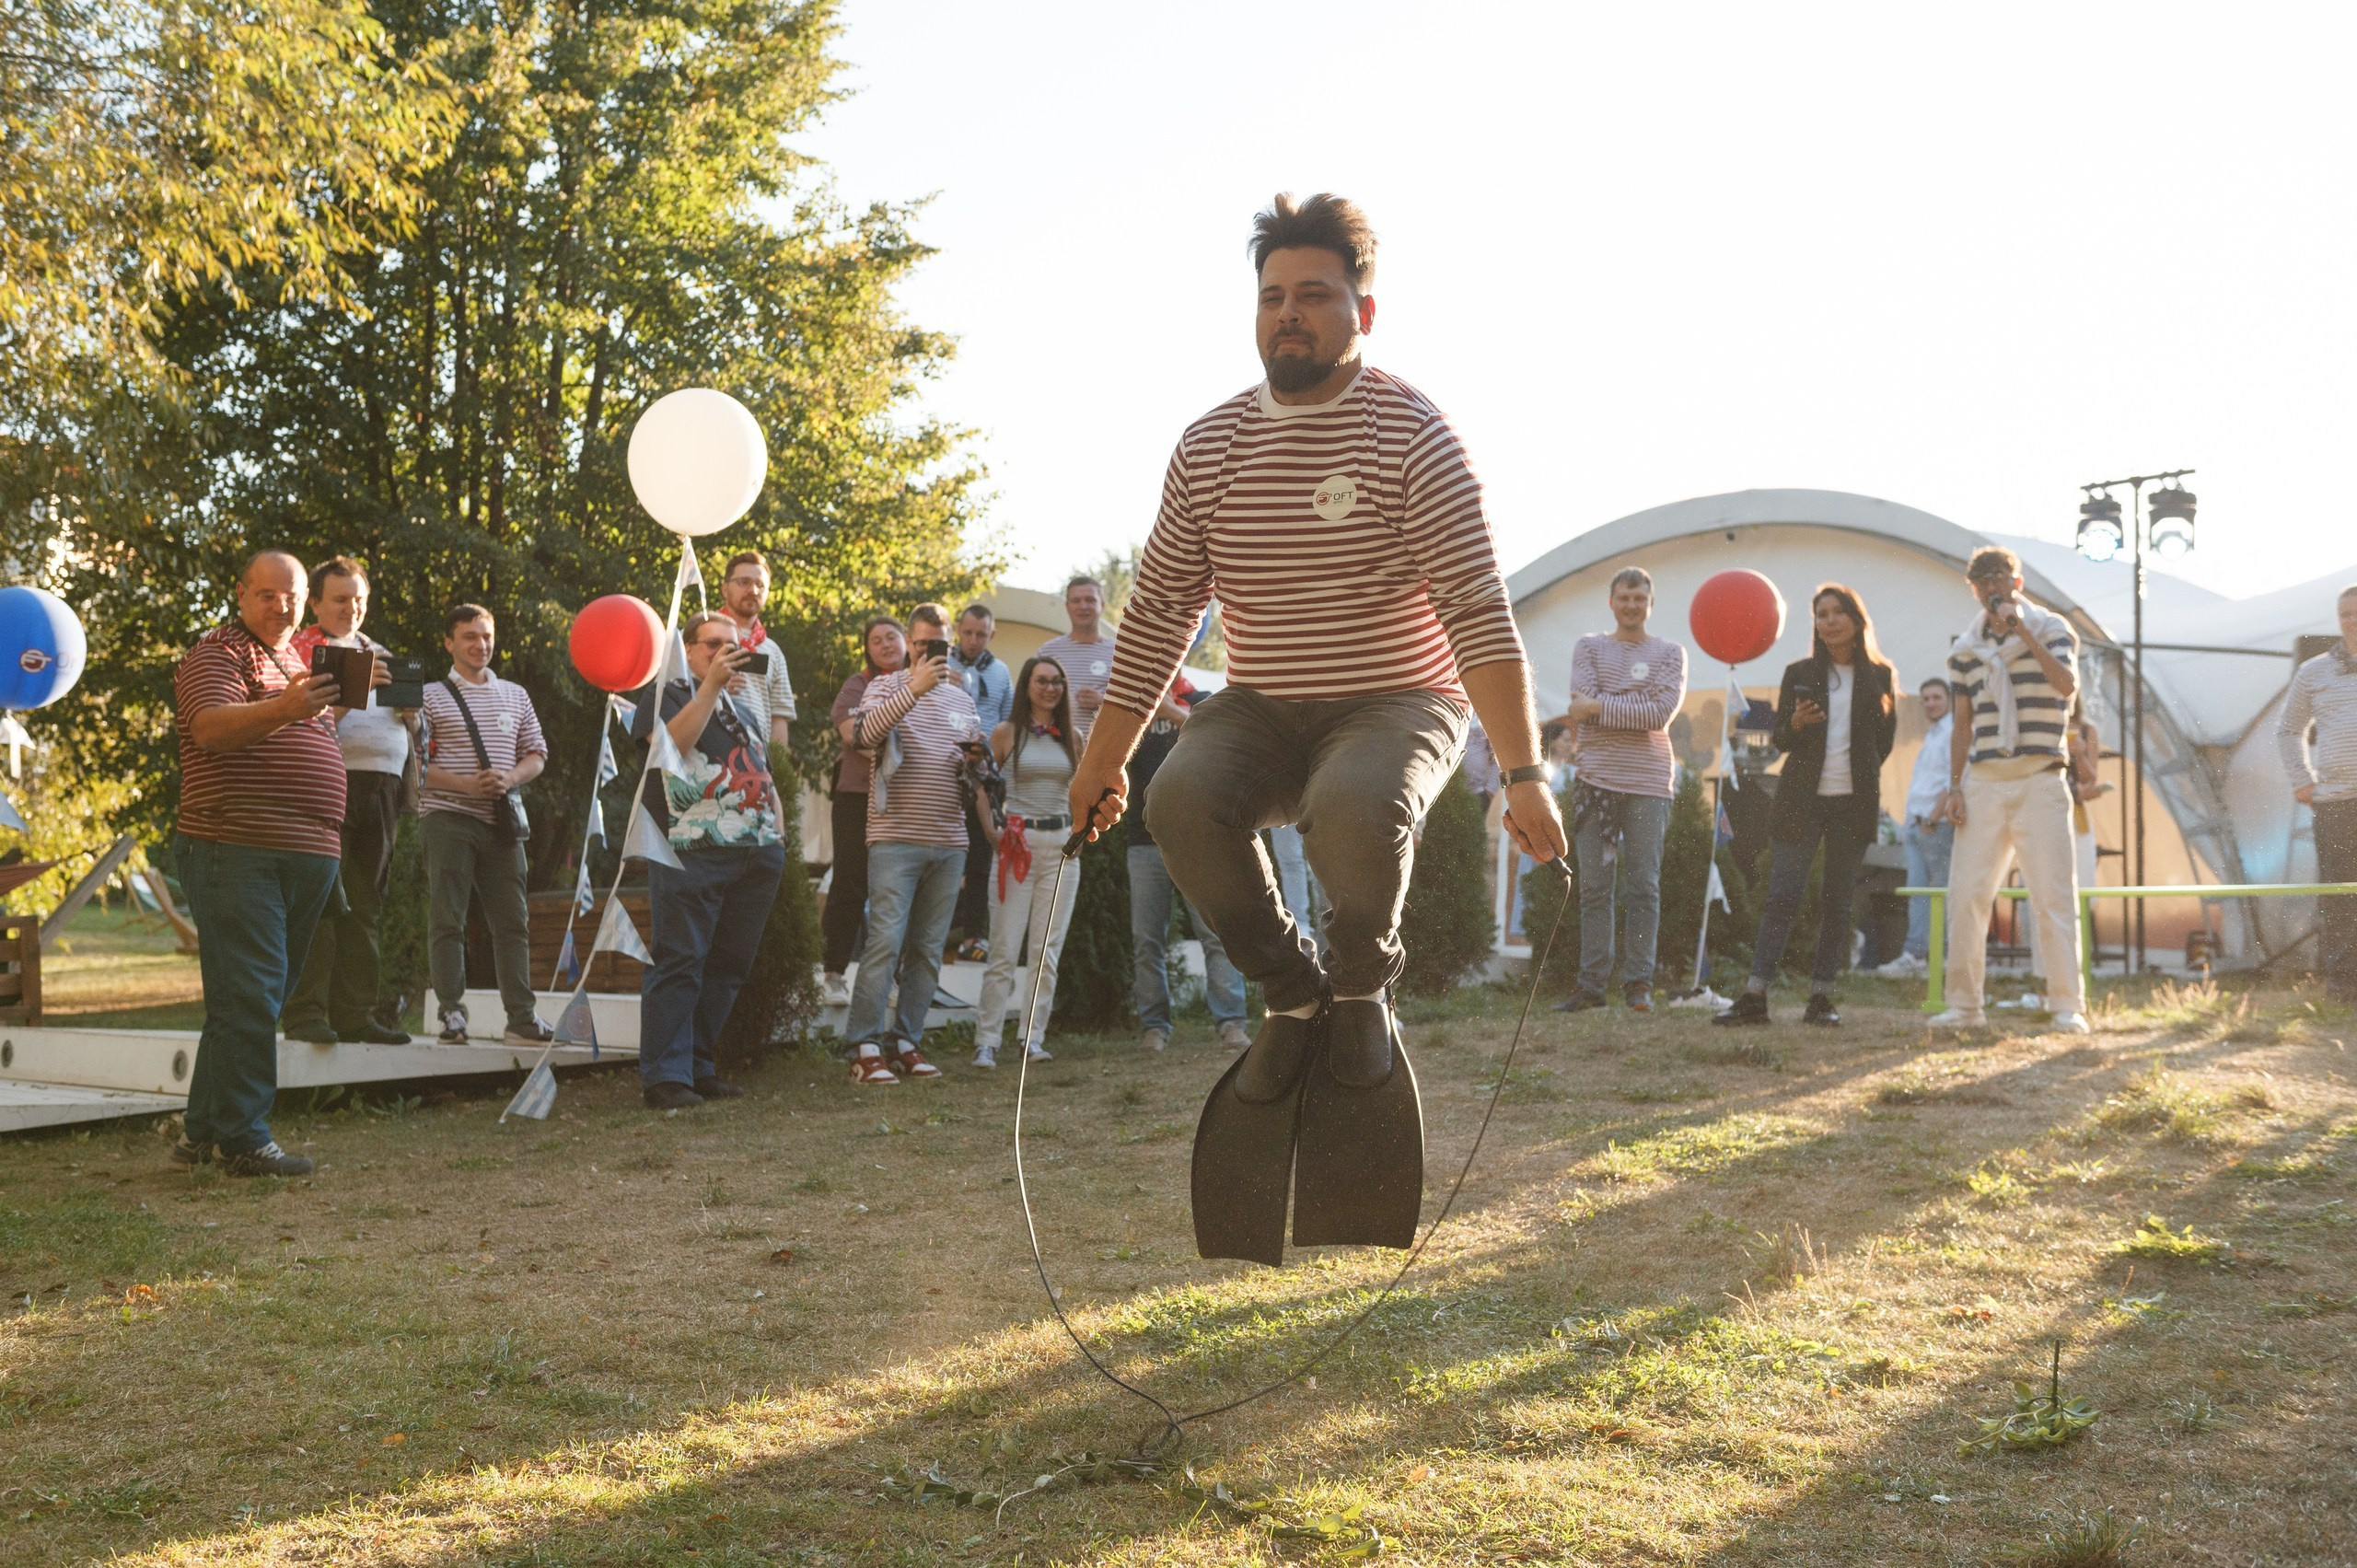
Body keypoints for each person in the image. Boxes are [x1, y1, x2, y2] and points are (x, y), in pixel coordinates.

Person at [1069, 191, 1566, 1099]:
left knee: (1352, 798)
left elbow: (1476, 611)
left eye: (1315, 294)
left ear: (1362, 312)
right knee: (1174, 796)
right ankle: (1294, 996)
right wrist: (1101, 761)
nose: (1289, 313)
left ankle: (1361, 986)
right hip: (1261, 703)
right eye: (1271, 297)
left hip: (1399, 698)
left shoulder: (1411, 432)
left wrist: (1526, 773)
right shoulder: (1210, 445)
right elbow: (1158, 612)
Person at [170, 549, 365, 1176]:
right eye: (267, 593)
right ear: (241, 594)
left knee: (248, 998)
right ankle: (244, 1138)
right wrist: (287, 709)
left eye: (291, 594)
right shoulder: (218, 653)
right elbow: (209, 728)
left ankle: (200, 1133)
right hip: (237, 846)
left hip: (306, 854)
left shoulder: (296, 661)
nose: (280, 604)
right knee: (251, 992)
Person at [1714, 585, 1898, 1028]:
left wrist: (1858, 774)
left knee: (1837, 903)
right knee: (1782, 896)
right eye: (1821, 614)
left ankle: (1821, 999)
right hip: (1802, 801)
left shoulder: (1879, 676)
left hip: (1851, 805)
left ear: (1856, 619)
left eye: (1837, 612)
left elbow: (1884, 744)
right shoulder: (1800, 671)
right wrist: (1796, 723)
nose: (1829, 621)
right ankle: (1755, 996)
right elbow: (1779, 739)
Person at [630, 612, 787, 1109]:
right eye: (714, 644)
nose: (725, 653)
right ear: (689, 650)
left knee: (727, 964)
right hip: (692, 849)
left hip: (755, 852)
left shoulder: (745, 709)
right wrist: (710, 690)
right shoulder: (665, 695)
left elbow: (762, 769)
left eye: (732, 646)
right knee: (681, 958)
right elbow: (668, 752)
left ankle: (698, 1065)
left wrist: (778, 831)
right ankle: (665, 1077)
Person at [1931, 546, 2088, 1033]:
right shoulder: (1964, 649)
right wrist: (1954, 786)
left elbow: (2065, 687)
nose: (1992, 589)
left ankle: (2067, 1005)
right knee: (1967, 895)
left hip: (2040, 776)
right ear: (1975, 591)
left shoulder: (2053, 629)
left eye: (2000, 579)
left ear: (2016, 583)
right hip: (1985, 782)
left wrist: (2022, 632)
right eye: (1982, 584)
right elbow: (1962, 724)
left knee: (2052, 895)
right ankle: (1964, 1005)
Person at [842, 605, 982, 1084]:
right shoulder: (884, 685)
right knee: (885, 941)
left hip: (949, 839)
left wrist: (977, 762)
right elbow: (864, 736)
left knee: (926, 948)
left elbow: (975, 767)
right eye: (921, 644)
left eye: (938, 645)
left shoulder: (963, 699)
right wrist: (914, 688)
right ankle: (864, 1044)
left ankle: (907, 1040)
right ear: (907, 642)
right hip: (894, 838)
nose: (929, 653)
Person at [281, 556, 416, 1046]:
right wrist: (355, 689)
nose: (351, 608)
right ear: (314, 602)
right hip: (323, 786)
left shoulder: (379, 652)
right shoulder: (297, 652)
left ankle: (356, 1015)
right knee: (318, 902)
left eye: (358, 600)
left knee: (366, 904)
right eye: (339, 599)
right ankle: (306, 1014)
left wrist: (410, 714)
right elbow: (296, 729)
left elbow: (413, 730)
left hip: (381, 786)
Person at [1552, 566, 1687, 1015]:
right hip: (1596, 784)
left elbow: (1660, 714)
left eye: (1640, 598)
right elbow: (1579, 702)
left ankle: (1638, 986)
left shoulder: (1671, 652)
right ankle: (1591, 986)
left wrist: (1600, 706)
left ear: (1651, 603)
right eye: (1624, 598)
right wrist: (1629, 703)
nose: (1632, 605)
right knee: (1594, 887)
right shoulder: (1589, 647)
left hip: (1649, 785)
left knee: (1644, 885)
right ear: (1612, 602)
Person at [419, 604, 552, 1046]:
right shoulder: (428, 696)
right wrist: (464, 786)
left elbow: (536, 754)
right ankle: (452, 1016)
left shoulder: (516, 694)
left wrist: (510, 778)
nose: (480, 645)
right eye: (469, 637)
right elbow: (414, 765)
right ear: (449, 643)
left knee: (513, 921)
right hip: (446, 817)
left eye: (486, 636)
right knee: (448, 919)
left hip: (501, 821)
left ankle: (521, 1019)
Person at [970, 656, 1084, 1067]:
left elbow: (1087, 791)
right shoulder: (1006, 733)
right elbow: (981, 783)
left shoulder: (1073, 736)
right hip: (1019, 843)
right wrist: (991, 829)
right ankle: (987, 1041)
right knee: (1003, 947)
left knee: (1046, 950)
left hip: (1062, 849)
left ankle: (1031, 1038)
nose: (1050, 688)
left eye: (1057, 681)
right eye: (1042, 681)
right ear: (1026, 685)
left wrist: (1083, 830)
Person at [1131, 677, 1249, 1053]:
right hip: (1142, 838)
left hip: (1198, 836)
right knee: (1146, 938)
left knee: (1216, 933)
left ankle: (1231, 1021)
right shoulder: (1132, 704)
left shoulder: (1202, 700)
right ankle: (1155, 1026)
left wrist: (1167, 710)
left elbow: (1217, 741)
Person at [820, 616, 905, 1006]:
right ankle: (834, 973)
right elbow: (854, 736)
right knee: (850, 884)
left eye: (892, 636)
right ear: (867, 649)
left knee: (894, 891)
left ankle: (889, 978)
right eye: (876, 640)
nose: (886, 644)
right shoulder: (858, 684)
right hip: (857, 797)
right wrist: (906, 746)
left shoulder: (921, 681)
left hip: (907, 799)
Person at [2278, 584, 2357, 1001]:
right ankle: (2342, 986)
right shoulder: (2314, 671)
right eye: (2346, 613)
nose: (2352, 620)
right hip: (2335, 801)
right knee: (2340, 892)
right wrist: (2300, 778)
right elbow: (2288, 729)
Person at [1875, 676, 1957, 979]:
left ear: (1949, 700)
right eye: (1925, 698)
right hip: (1918, 825)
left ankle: (1943, 958)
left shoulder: (1953, 733)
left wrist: (1933, 819)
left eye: (1936, 697)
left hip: (1936, 827)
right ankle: (1916, 955)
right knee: (1918, 893)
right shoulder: (1935, 733)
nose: (1931, 703)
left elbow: (1954, 782)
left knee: (1939, 893)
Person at [947, 603, 1012, 963]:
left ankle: (974, 937)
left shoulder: (1002, 673)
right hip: (944, 771)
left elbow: (1007, 724)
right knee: (944, 856)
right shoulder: (941, 664)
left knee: (980, 859)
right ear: (958, 629)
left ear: (992, 634)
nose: (973, 641)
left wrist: (992, 765)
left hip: (983, 777)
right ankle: (936, 934)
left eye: (981, 634)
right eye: (968, 633)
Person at [715, 551, 798, 751]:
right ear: (725, 589)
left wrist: (775, 770)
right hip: (705, 758)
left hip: (755, 764)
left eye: (761, 585)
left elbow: (779, 716)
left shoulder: (773, 651)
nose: (753, 590)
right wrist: (715, 686)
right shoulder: (701, 636)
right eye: (744, 582)